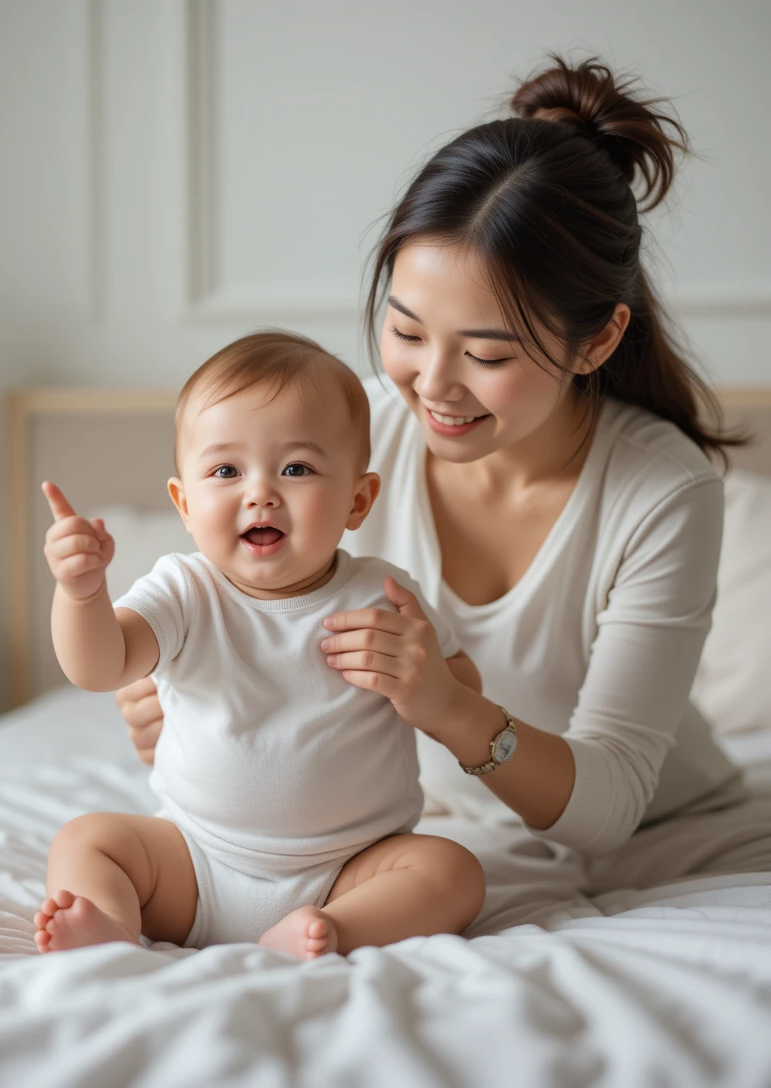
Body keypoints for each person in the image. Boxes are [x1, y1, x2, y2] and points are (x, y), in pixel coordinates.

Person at [117, 54, 771, 933]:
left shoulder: (660, 490)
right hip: (401, 831)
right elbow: (238, 587)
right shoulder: (345, 440)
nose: (433, 385)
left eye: (489, 355)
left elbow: (612, 800)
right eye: (405, 330)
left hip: (657, 837)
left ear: (598, 339)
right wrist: (179, 694)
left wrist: (451, 708)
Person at [34, 331, 486, 960]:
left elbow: (461, 694)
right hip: (194, 863)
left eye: (296, 468)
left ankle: (336, 930)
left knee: (452, 870)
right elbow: (99, 665)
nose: (260, 492)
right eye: (226, 470)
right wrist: (81, 594)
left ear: (358, 500)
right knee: (86, 840)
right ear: (185, 504)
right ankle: (110, 921)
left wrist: (430, 679)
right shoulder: (185, 590)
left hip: (349, 869)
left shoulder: (383, 594)